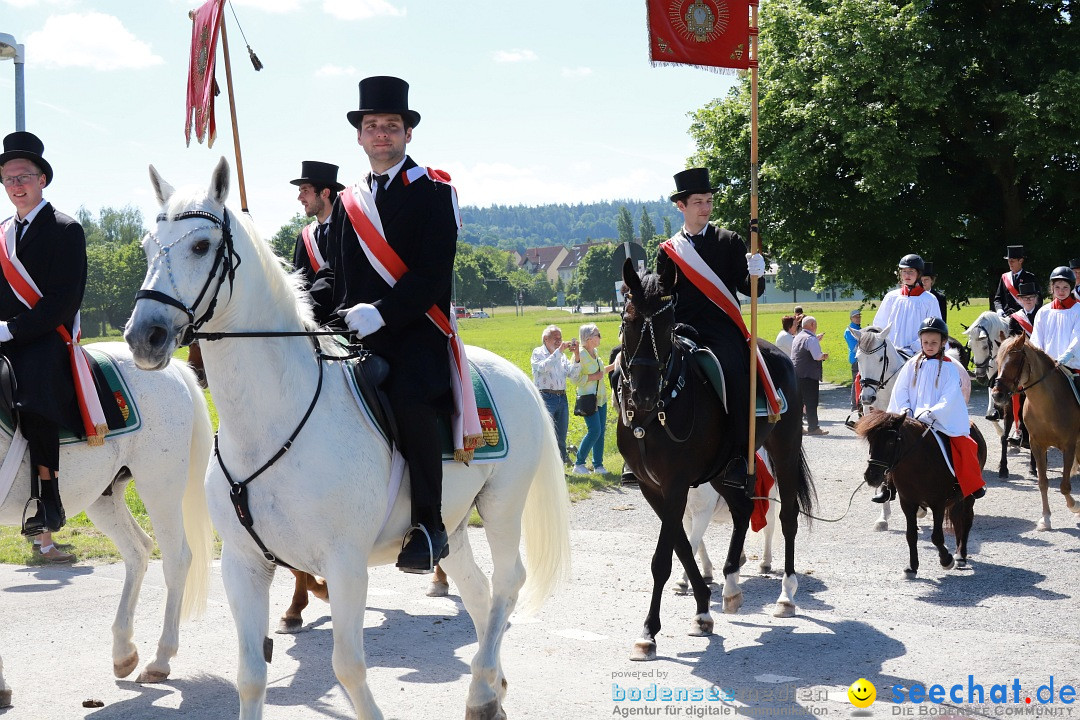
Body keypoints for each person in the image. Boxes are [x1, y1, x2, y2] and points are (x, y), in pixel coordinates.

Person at [310, 76, 460, 573]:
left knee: (410, 395)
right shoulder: (350, 202)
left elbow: (433, 275)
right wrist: (303, 308)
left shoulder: (435, 193)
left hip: (414, 330)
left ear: (407, 134)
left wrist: (383, 313)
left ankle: (428, 524)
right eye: (372, 126)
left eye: (391, 126)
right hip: (353, 334)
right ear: (359, 136)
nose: (381, 134)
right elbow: (333, 273)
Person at [651, 167, 767, 489]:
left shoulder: (729, 241)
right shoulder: (668, 251)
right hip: (682, 329)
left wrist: (757, 273)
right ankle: (642, 448)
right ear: (681, 206)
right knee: (640, 368)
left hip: (721, 329)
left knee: (732, 369)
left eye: (709, 201)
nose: (706, 207)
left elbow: (751, 291)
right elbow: (663, 296)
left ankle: (738, 456)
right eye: (699, 202)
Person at [0, 131, 86, 563]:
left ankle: (46, 501)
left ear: (42, 180)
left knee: (32, 388)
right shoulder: (1, 235)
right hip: (6, 334)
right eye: (9, 178)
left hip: (43, 338)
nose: (17, 185)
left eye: (25, 176)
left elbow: (63, 299)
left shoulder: (66, 229)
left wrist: (10, 331)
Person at [882, 317, 986, 503]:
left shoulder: (949, 368)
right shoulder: (911, 364)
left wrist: (932, 413)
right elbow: (901, 389)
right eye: (925, 342)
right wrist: (906, 409)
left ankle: (972, 483)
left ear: (943, 342)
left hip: (940, 419)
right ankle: (887, 485)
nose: (929, 346)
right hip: (911, 416)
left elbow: (950, 395)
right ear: (920, 342)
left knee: (964, 443)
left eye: (934, 343)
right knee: (888, 443)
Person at [872, 254, 941, 357]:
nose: (907, 275)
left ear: (918, 274)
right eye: (904, 271)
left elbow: (934, 328)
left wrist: (915, 347)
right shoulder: (891, 297)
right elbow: (879, 325)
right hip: (892, 353)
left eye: (911, 271)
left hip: (918, 352)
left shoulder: (929, 299)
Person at [290, 160, 344, 291]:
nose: (299, 197)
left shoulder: (346, 231)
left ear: (324, 193)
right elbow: (297, 280)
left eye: (305, 190)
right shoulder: (304, 236)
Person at [570, 323, 614, 475]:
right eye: (598, 334)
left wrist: (615, 365)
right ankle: (579, 464)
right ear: (588, 338)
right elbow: (574, 378)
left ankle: (598, 466)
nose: (600, 337)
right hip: (588, 399)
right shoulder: (579, 355)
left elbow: (602, 372)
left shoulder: (595, 352)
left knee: (601, 432)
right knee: (594, 430)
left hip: (601, 398)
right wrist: (593, 377)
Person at [530, 325, 575, 465]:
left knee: (561, 436)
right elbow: (542, 368)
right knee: (547, 436)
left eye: (560, 338)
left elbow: (572, 374)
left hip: (562, 397)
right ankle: (544, 467)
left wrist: (577, 356)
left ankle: (560, 470)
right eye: (556, 338)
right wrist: (559, 352)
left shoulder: (561, 356)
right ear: (545, 339)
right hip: (546, 397)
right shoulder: (538, 352)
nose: (559, 341)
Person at [1030, 266, 1080, 373]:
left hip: (1072, 364)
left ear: (1071, 288)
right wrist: (1041, 357)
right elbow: (1037, 337)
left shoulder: (1078, 310)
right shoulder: (1043, 312)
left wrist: (1066, 356)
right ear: (1052, 288)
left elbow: (1078, 337)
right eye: (1057, 287)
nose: (1061, 291)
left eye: (1065, 287)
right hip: (1047, 365)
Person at [791, 316, 829, 436]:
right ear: (812, 324)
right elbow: (817, 356)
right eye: (815, 325)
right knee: (811, 402)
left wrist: (816, 340)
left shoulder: (798, 337)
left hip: (797, 374)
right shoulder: (810, 339)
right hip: (809, 375)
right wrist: (824, 356)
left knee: (799, 402)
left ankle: (798, 427)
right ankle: (813, 428)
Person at [992, 245, 1037, 315]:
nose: (1010, 263)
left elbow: (1038, 299)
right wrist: (999, 309)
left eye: (1012, 261)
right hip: (1006, 315)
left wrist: (1030, 313)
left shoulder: (1029, 277)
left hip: (1024, 316)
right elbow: (998, 299)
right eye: (1008, 261)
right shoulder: (1004, 277)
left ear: (1020, 261)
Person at [844, 308, 862, 413]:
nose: (858, 318)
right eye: (855, 317)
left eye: (859, 316)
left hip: (862, 358)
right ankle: (854, 404)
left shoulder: (860, 329)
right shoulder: (849, 330)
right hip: (855, 358)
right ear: (851, 318)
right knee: (856, 381)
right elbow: (854, 347)